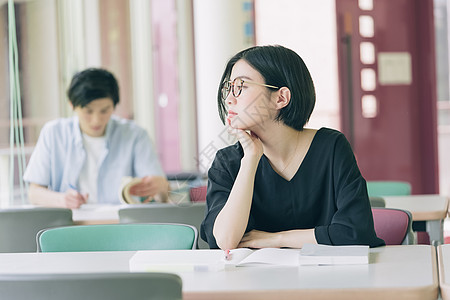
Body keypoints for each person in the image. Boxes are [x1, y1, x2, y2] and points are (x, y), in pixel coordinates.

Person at [200, 45, 384, 250]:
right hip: (255, 282)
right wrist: (251, 158)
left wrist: (276, 240)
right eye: (229, 88)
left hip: (328, 280)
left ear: (281, 98)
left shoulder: (331, 148)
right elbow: (226, 241)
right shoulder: (227, 162)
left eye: (241, 86)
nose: (229, 99)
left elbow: (356, 232)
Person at [23, 68, 169, 208]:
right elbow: (34, 193)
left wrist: (160, 187)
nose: (96, 120)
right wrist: (61, 200)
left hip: (122, 226)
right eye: (88, 111)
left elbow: (160, 193)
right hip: (69, 225)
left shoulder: (135, 135)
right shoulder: (53, 133)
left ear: (115, 105)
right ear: (72, 105)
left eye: (105, 111)